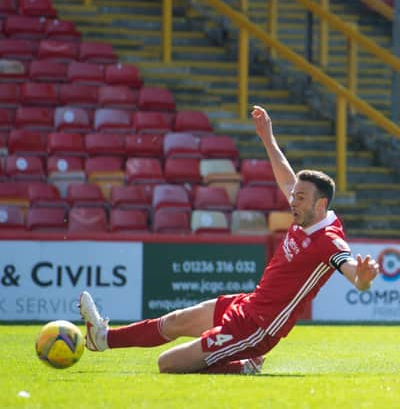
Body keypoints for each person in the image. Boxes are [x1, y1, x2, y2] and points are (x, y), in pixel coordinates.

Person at [79, 105, 380, 374]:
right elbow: (288, 179)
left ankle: (245, 365)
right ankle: (102, 338)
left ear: (320, 205)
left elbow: (350, 268)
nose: (292, 201)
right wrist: (268, 139)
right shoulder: (307, 212)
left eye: (300, 198)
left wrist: (363, 279)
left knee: (167, 363)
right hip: (247, 304)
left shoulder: (328, 239)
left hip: (258, 328)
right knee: (176, 321)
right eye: (294, 196)